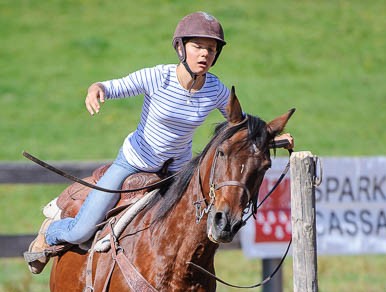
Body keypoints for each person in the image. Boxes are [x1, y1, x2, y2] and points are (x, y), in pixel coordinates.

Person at [26, 11, 293, 274]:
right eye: (198, 47)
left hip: (177, 172)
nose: (204, 54)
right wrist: (96, 89)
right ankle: (49, 232)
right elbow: (114, 86)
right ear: (180, 48)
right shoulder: (157, 77)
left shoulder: (215, 89)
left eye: (211, 50)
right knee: (81, 231)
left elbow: (241, 132)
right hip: (134, 162)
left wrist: (272, 140)